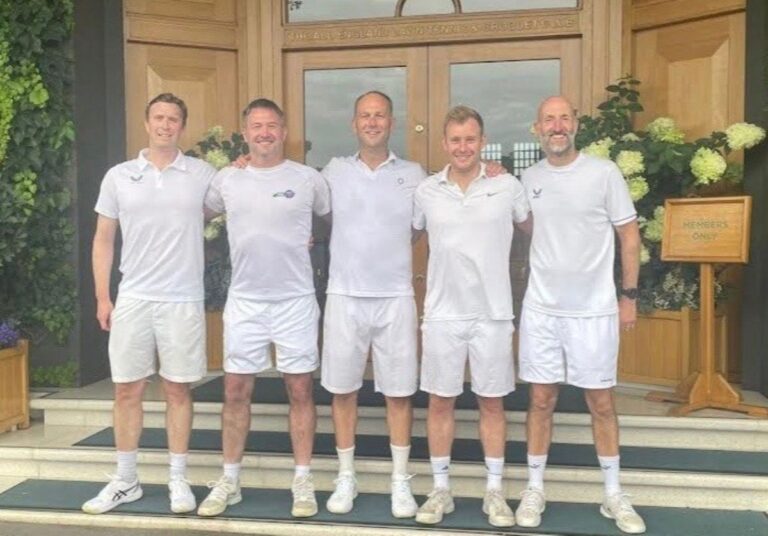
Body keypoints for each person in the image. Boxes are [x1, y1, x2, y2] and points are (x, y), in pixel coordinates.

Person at [515, 96, 645, 534]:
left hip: (594, 310)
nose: (557, 126)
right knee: (540, 400)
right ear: (538, 128)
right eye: (549, 118)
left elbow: (628, 235)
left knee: (602, 402)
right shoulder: (527, 178)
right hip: (542, 310)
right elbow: (530, 225)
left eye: (564, 118)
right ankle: (535, 488)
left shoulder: (603, 173)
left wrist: (628, 295)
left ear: (575, 126)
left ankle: (613, 494)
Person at [197, 98, 330, 519]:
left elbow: (328, 221)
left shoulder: (308, 179)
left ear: (284, 130)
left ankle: (303, 479)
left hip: (294, 300)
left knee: (301, 390)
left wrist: (312, 242)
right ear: (246, 132)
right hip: (246, 302)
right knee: (235, 390)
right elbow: (198, 216)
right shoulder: (226, 179)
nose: (265, 133)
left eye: (272, 125)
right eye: (257, 126)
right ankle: (230, 480)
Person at [84, 93, 216, 515]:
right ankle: (126, 481)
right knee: (127, 389)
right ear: (146, 123)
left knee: (178, 388)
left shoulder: (203, 174)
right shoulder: (120, 176)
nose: (165, 124)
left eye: (173, 118)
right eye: (158, 117)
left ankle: (178, 479)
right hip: (134, 296)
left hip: (182, 298)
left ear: (183, 125)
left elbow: (243, 204)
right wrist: (104, 296)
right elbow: (103, 239)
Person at [412, 105, 532, 528]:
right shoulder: (425, 191)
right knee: (440, 402)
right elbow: (406, 234)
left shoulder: (508, 186)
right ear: (444, 144)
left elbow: (537, 232)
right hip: (442, 314)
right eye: (455, 140)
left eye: (471, 139)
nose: (463, 147)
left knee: (492, 403)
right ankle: (439, 490)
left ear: (483, 142)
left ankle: (495, 493)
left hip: (494, 314)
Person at [320, 91, 426, 518]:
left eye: (380, 115)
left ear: (392, 122)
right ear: (353, 124)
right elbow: (313, 212)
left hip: (396, 297)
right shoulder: (332, 172)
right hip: (344, 296)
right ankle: (346, 476)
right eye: (365, 115)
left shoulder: (415, 174)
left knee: (398, 392)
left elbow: (417, 231)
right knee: (342, 389)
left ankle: (400, 481)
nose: (372, 121)